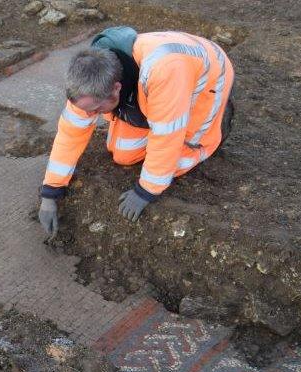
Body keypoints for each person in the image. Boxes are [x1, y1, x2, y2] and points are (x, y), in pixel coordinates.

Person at [38, 26, 234, 235]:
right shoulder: (88, 84)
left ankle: (219, 120)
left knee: (178, 156)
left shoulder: (164, 70)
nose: (89, 115)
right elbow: (70, 133)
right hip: (157, 88)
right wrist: (50, 193)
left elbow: (167, 136)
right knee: (123, 154)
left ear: (116, 89)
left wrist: (146, 191)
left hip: (205, 83)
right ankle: (154, 113)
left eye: (95, 110)